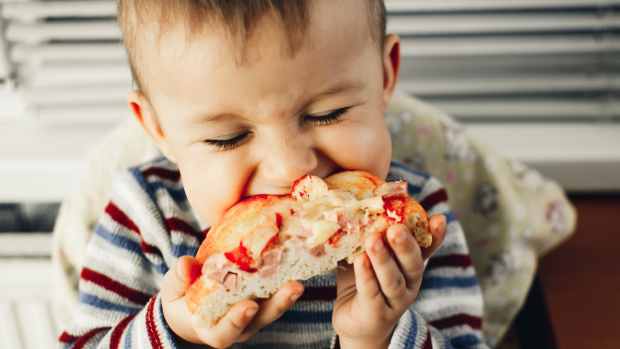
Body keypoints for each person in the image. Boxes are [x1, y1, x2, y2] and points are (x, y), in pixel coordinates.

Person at [58, 1, 487, 348]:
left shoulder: (416, 225)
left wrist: (375, 337)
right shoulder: (146, 216)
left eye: (327, 114)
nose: (291, 169)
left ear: (384, 76)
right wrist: (177, 328)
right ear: (159, 130)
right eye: (228, 138)